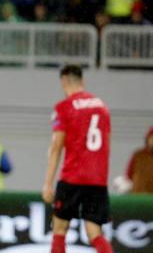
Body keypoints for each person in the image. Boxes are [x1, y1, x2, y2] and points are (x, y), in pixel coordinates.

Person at [42, 64, 113, 253]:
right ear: (83, 81)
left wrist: (48, 184)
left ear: (63, 81)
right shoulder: (102, 107)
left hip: (72, 177)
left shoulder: (64, 107)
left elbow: (56, 146)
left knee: (59, 228)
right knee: (94, 232)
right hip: (97, 180)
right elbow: (107, 143)